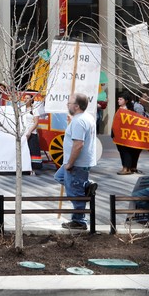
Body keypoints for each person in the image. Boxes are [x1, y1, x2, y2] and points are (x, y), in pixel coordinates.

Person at [55, 93, 97, 230]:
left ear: (76, 106)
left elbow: (78, 144)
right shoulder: (85, 117)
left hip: (76, 163)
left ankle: (79, 221)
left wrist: (70, 163)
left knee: (75, 192)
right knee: (59, 177)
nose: (67, 105)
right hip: (78, 162)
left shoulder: (79, 121)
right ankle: (86, 186)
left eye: (69, 103)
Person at [113, 94, 141, 175]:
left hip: (127, 135)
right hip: (119, 134)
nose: (118, 100)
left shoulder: (130, 111)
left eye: (121, 99)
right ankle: (127, 167)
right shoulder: (119, 110)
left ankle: (127, 168)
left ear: (126, 101)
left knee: (126, 151)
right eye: (118, 99)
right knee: (122, 151)